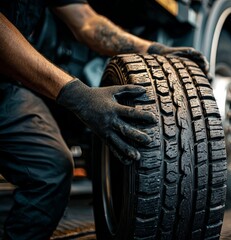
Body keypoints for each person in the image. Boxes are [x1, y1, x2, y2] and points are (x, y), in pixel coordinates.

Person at [0, 0, 209, 239]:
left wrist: (151, 49)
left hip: (7, 88)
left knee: (51, 169)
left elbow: (87, 22)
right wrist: (77, 96)